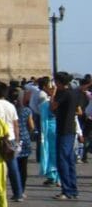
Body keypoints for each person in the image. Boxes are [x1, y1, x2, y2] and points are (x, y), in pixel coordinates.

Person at [50, 71, 85, 200]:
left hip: (63, 130)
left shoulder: (63, 94)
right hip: (71, 129)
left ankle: (67, 190)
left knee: (62, 160)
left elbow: (52, 107)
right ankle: (73, 188)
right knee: (69, 160)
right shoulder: (74, 93)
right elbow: (78, 110)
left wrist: (53, 94)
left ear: (59, 82)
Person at [10, 86, 34, 200]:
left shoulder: (11, 109)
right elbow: (32, 126)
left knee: (13, 167)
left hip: (13, 139)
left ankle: (16, 190)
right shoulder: (27, 110)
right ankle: (22, 190)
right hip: (25, 140)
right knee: (23, 167)